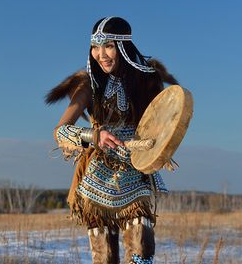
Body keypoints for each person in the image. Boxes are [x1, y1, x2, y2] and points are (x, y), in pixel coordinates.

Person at [46, 17, 178, 264]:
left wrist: (160, 146)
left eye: (108, 46)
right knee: (105, 257)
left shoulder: (147, 80)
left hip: (136, 171)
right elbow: (60, 131)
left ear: (123, 46)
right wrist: (94, 136)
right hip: (97, 181)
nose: (100, 54)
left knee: (142, 250)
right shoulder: (89, 84)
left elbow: (165, 122)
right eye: (95, 47)